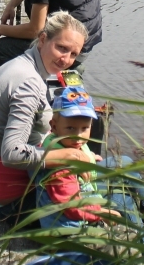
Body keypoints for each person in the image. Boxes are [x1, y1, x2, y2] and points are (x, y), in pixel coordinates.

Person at [0, 13, 91, 218]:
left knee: (120, 166)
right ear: (43, 38)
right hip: (16, 200)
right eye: (62, 48)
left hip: (9, 185)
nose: (66, 60)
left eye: (73, 54)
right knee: (116, 189)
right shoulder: (28, 84)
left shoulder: (25, 64)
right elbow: (12, 154)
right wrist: (70, 156)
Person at [34, 86, 120, 228]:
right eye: (70, 129)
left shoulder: (65, 142)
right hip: (71, 233)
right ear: (54, 127)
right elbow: (72, 207)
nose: (78, 136)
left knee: (124, 166)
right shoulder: (60, 169)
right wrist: (103, 214)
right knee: (125, 205)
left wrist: (90, 155)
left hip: (86, 203)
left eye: (84, 128)